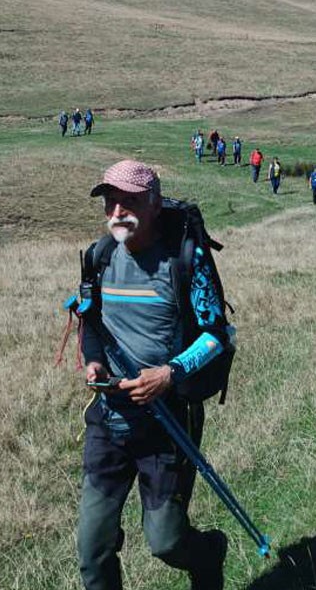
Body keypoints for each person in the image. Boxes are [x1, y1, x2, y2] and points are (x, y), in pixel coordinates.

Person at [77, 160, 231, 590]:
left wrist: (169, 373)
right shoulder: (99, 256)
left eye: (129, 201)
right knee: (92, 549)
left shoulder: (185, 258)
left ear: (155, 203)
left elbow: (216, 334)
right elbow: (92, 324)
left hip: (168, 422)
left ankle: (208, 553)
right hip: (108, 421)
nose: (117, 211)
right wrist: (94, 363)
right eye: (110, 201)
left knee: (165, 542)